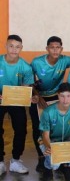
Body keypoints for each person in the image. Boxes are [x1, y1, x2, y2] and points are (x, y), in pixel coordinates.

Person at [30, 36, 70, 172]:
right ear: (47, 49)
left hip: (56, 96)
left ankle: (61, 153)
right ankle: (42, 156)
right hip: (38, 97)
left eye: (58, 47)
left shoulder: (65, 60)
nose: (55, 50)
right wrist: (36, 95)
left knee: (57, 125)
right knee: (38, 127)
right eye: (52, 47)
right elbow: (28, 80)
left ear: (61, 49)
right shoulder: (36, 62)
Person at [39, 82, 70, 180]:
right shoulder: (48, 111)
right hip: (51, 141)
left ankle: (66, 166)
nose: (65, 100)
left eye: (68, 96)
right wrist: (50, 148)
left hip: (68, 139)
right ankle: (47, 167)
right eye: (62, 96)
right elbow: (45, 136)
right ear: (58, 95)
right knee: (54, 164)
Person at [0, 35, 34, 175]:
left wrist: (27, 94)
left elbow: (27, 86)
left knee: (21, 130)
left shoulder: (25, 66)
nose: (14, 49)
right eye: (11, 46)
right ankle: (0, 162)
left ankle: (15, 160)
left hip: (16, 100)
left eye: (17, 46)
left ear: (21, 48)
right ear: (6, 46)